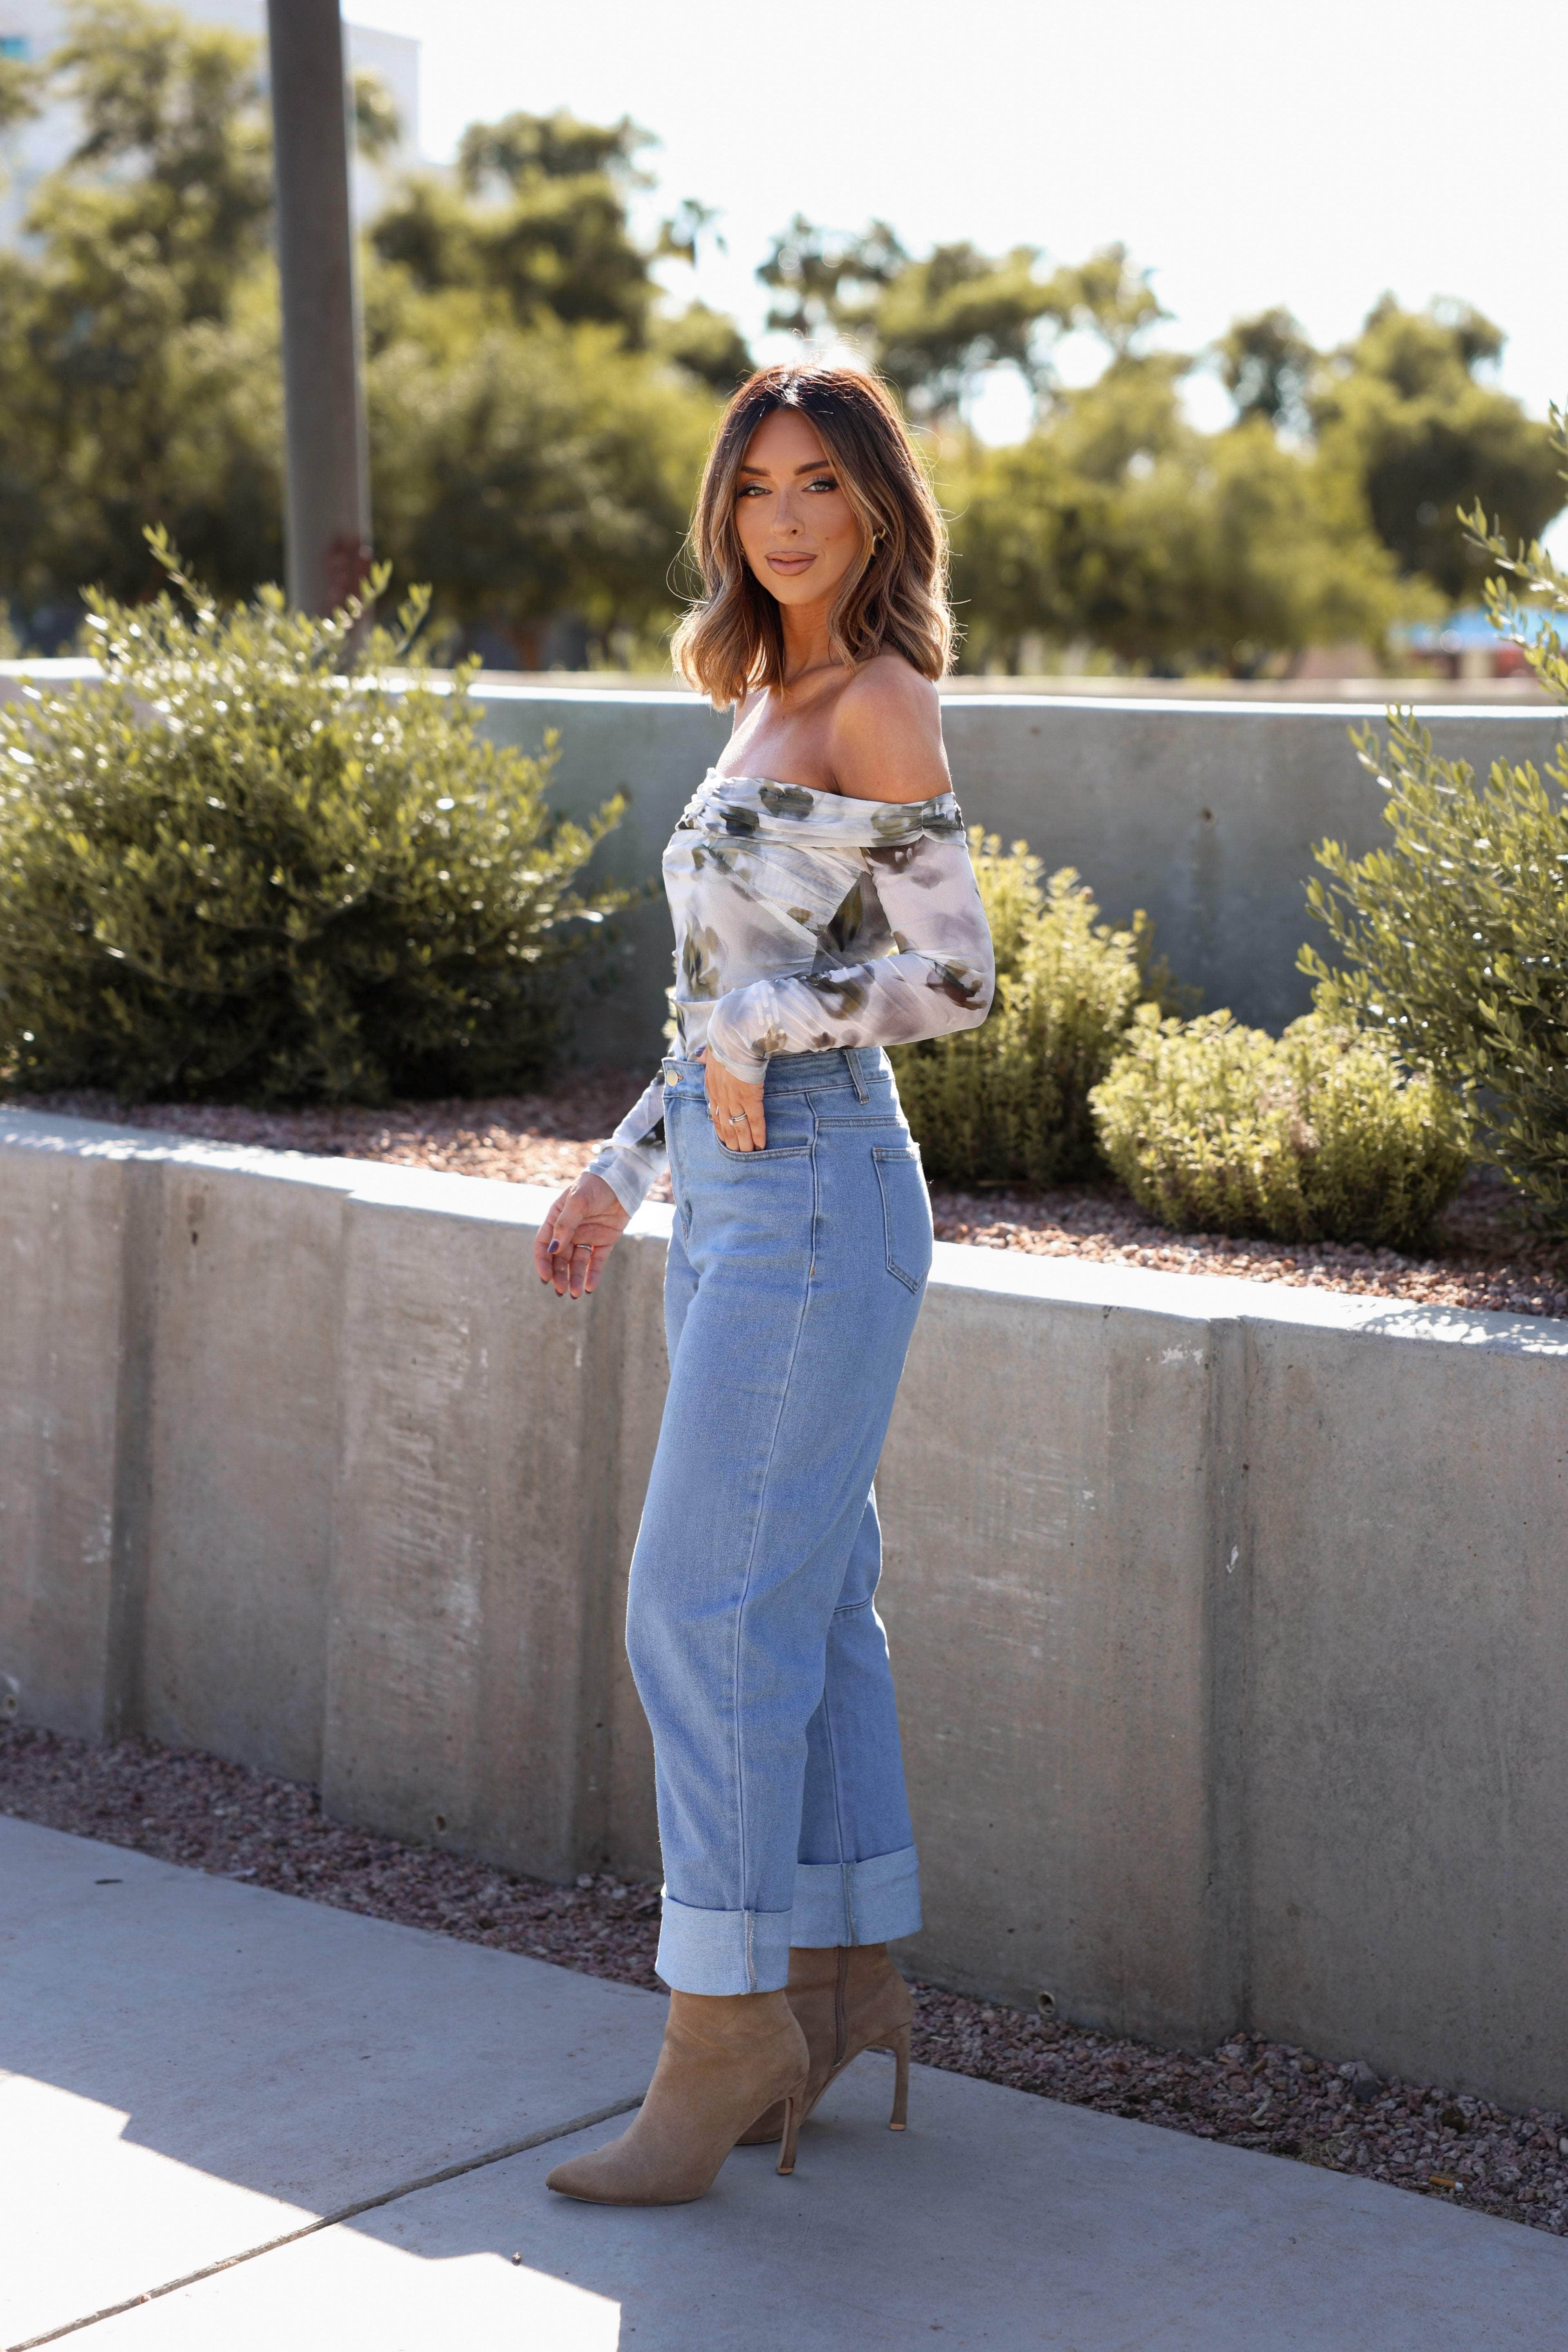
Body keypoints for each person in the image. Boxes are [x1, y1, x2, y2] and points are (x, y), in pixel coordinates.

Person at [533, 363, 995, 2206]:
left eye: (819, 482)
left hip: (819, 1190)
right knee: (803, 1593)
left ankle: (722, 2025)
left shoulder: (877, 699)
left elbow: (953, 979)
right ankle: (843, 1966)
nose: (784, 516)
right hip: (736, 1193)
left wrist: (764, 1017)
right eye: (754, 487)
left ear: (877, 504)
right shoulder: (757, 698)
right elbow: (712, 1003)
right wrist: (616, 1163)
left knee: (699, 1604)